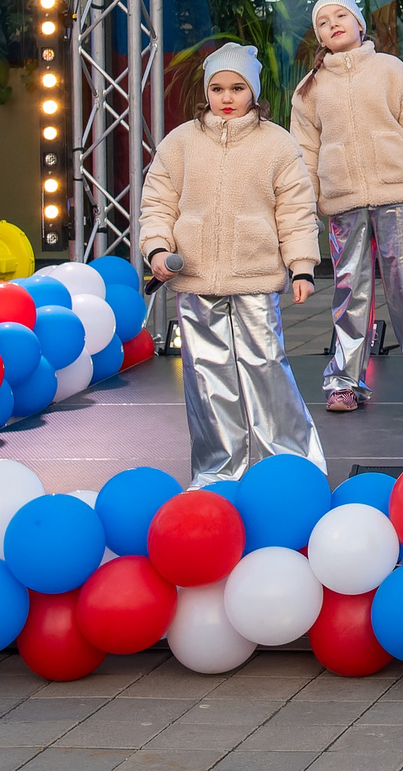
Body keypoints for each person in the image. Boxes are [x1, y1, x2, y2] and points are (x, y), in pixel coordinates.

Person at [139, 43, 325, 487]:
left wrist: (301, 266)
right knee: (207, 376)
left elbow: (296, 209)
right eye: (218, 88)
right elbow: (157, 204)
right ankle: (218, 473)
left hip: (255, 278)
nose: (227, 97)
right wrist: (158, 250)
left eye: (237, 88)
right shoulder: (180, 143)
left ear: (253, 92)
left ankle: (291, 471)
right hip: (195, 279)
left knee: (266, 368)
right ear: (206, 92)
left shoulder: (277, 143)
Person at [293, 0, 403, 414]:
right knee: (350, 293)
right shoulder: (309, 89)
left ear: (359, 24)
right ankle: (344, 382)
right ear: (318, 36)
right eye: (322, 23)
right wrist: (306, 205)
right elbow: (303, 153)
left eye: (339, 18)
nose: (332, 26)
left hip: (397, 197)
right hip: (343, 203)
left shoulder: (392, 71)